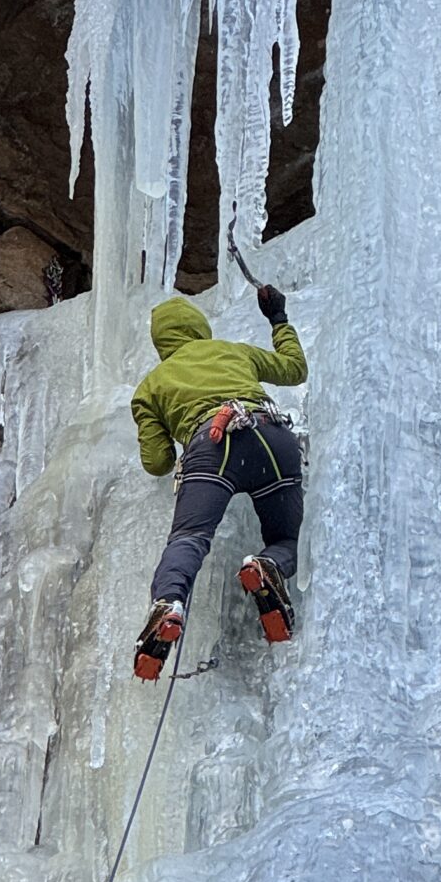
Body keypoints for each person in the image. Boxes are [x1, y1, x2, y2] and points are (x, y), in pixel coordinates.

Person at [129, 284, 307, 678]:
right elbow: (295, 368)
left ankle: (169, 604)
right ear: (200, 328)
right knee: (288, 539)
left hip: (214, 444)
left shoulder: (150, 387)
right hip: (273, 434)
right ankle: (268, 565)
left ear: (161, 342)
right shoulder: (232, 351)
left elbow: (157, 462)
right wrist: (277, 317)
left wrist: (167, 425)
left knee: (190, 538)